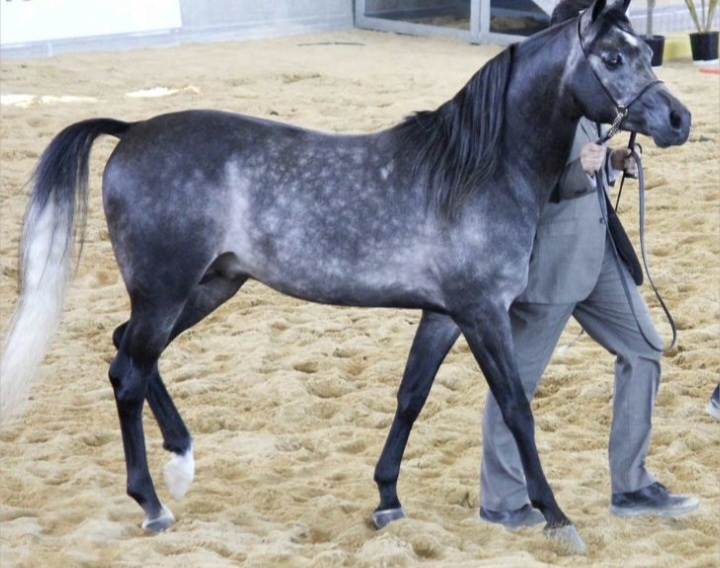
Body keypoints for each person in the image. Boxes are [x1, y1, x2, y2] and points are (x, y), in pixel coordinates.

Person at [478, 0, 699, 529]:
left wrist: (613, 162)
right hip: (552, 262)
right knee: (515, 382)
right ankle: (502, 500)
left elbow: (591, 154)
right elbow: (523, 180)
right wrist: (580, 169)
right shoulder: (531, 97)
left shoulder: (597, 91)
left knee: (644, 349)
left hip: (598, 251)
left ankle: (632, 484)